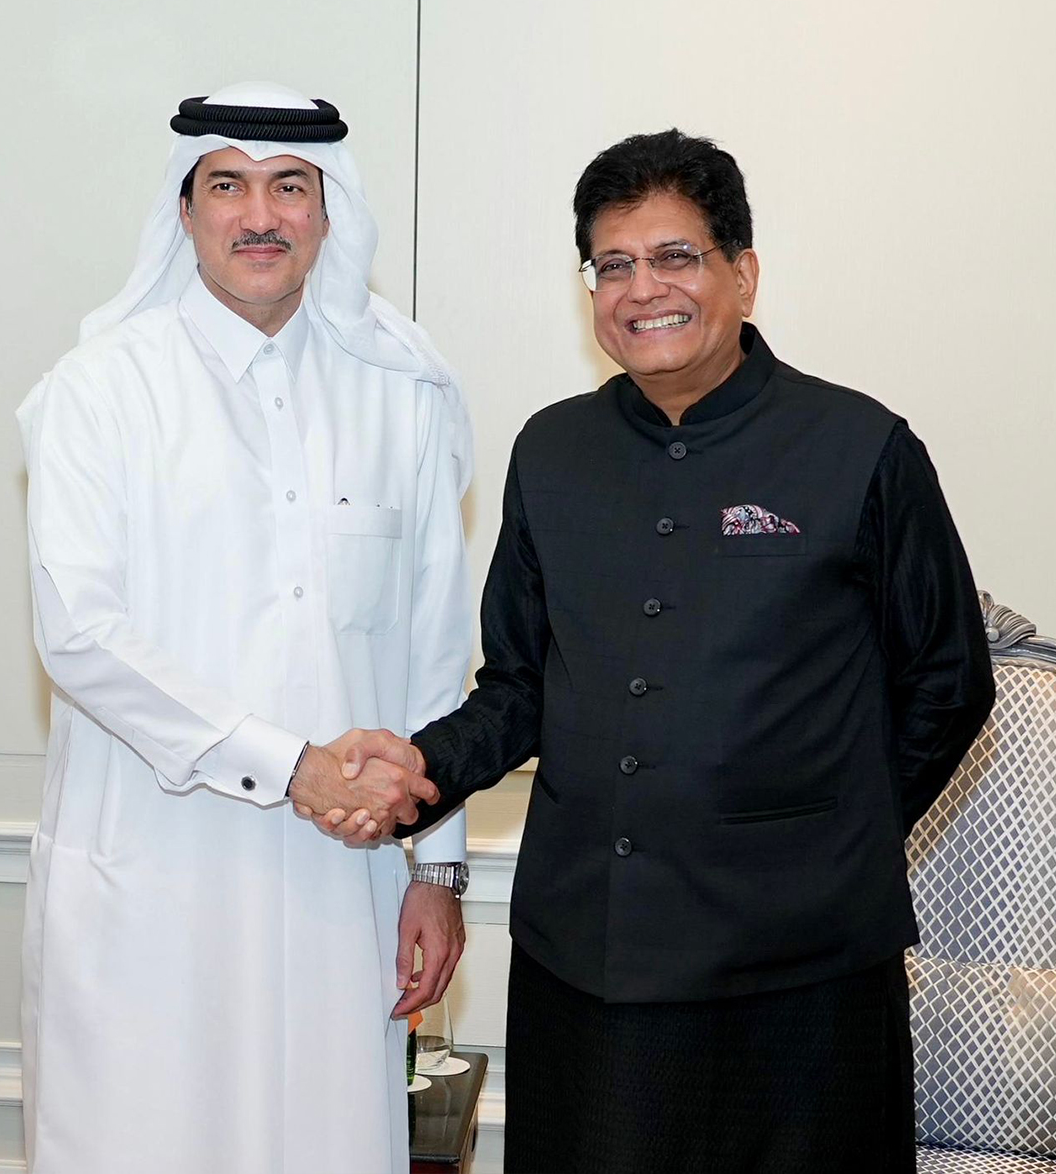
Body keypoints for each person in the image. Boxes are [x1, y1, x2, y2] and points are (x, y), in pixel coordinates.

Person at [323, 129, 997, 1172]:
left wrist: (829, 833)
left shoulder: (861, 448)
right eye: (614, 265)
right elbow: (518, 685)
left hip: (801, 974)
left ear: (742, 273)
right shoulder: (551, 452)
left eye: (675, 256)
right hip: (590, 964)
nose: (644, 289)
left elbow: (948, 684)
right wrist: (422, 768)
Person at [16, 82, 474, 1174]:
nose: (258, 215)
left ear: (329, 211)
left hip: (340, 880)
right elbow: (78, 631)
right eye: (227, 186)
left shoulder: (402, 396)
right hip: (152, 864)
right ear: (183, 212)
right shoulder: (98, 390)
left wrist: (438, 869)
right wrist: (291, 766)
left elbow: (432, 643)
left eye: (289, 187)